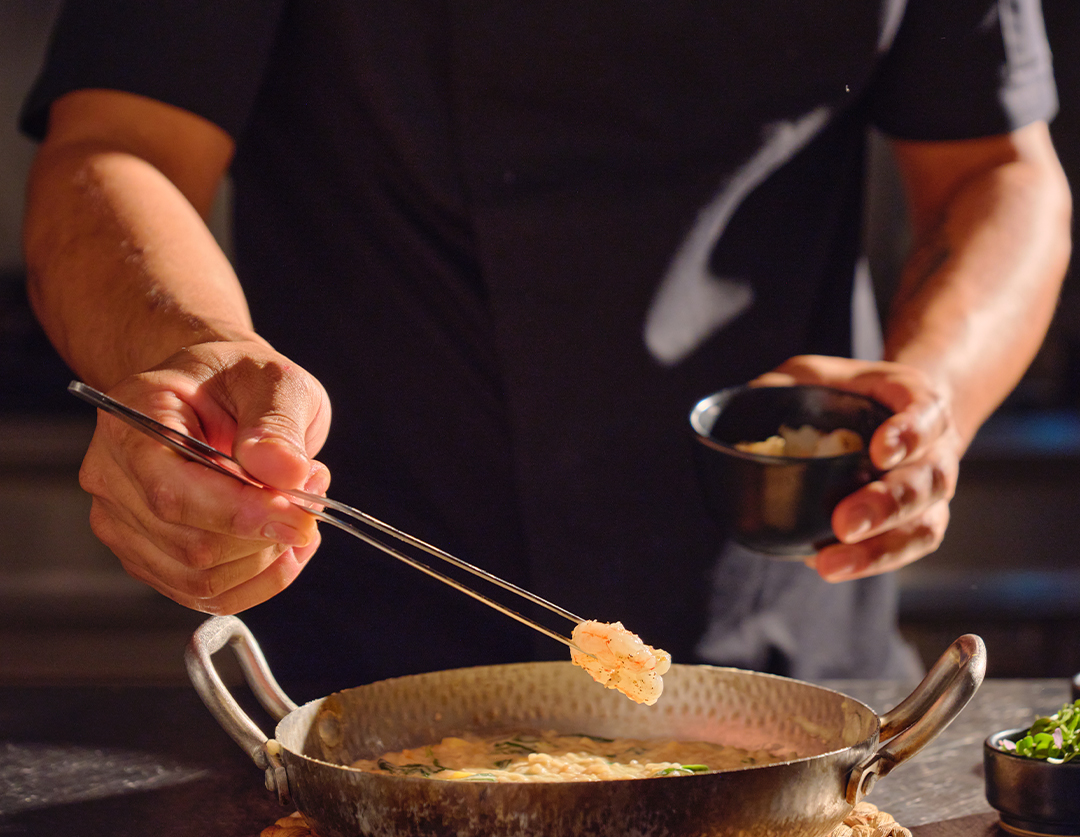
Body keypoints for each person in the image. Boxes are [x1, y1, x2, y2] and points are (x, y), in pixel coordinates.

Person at [19, 1, 1071, 695]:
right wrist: (192, 347)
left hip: (789, 624)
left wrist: (934, 390)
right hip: (367, 623)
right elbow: (117, 142)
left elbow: (999, 168)